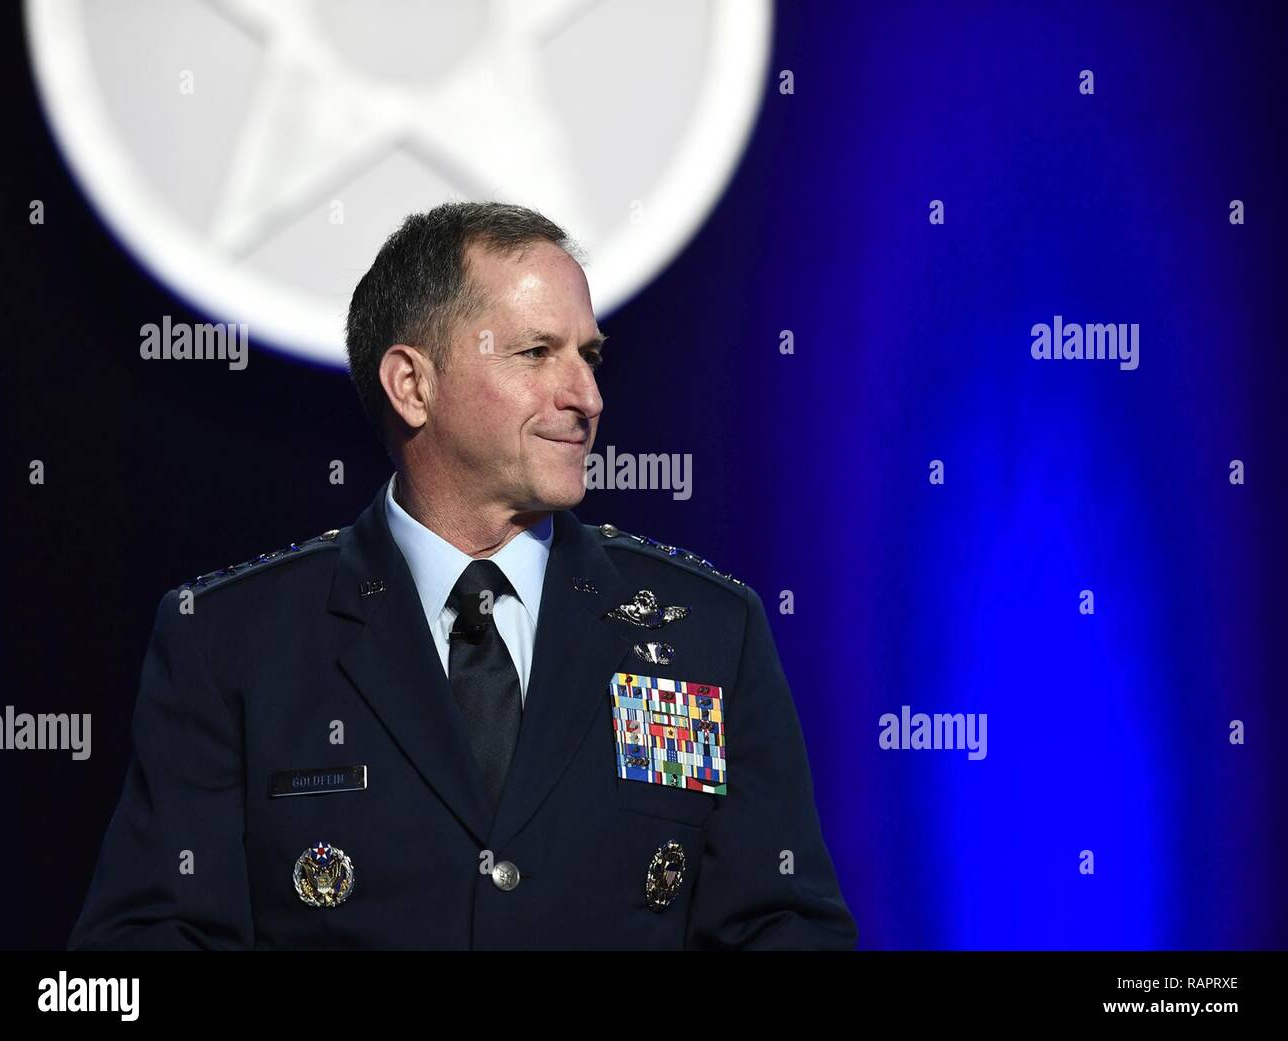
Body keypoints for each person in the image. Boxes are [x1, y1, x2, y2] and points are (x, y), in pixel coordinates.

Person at [68, 202, 858, 950]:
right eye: (537, 352)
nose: (586, 395)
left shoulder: (708, 634)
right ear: (413, 385)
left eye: (589, 355)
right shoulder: (231, 641)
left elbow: (783, 925)